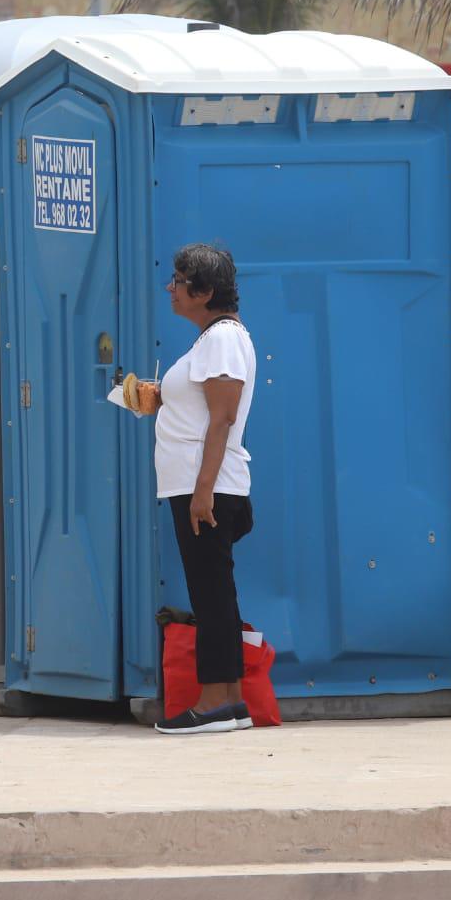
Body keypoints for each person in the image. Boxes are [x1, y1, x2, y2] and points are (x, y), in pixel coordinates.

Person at [148, 244, 258, 735]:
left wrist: (202, 491)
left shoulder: (222, 339)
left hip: (207, 486)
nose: (170, 288)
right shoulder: (211, 340)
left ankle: (214, 701)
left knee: (210, 592)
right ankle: (231, 700)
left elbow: (223, 418)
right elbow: (203, 411)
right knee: (216, 591)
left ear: (205, 291)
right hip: (201, 483)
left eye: (178, 279)